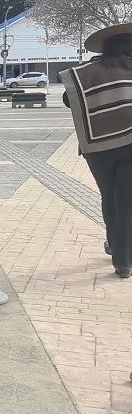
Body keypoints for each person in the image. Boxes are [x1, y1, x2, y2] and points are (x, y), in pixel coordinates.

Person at [61, 22, 132, 278]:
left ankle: (114, 245)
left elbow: (70, 99)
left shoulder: (87, 72)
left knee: (109, 195)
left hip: (98, 146)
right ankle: (123, 262)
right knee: (127, 201)